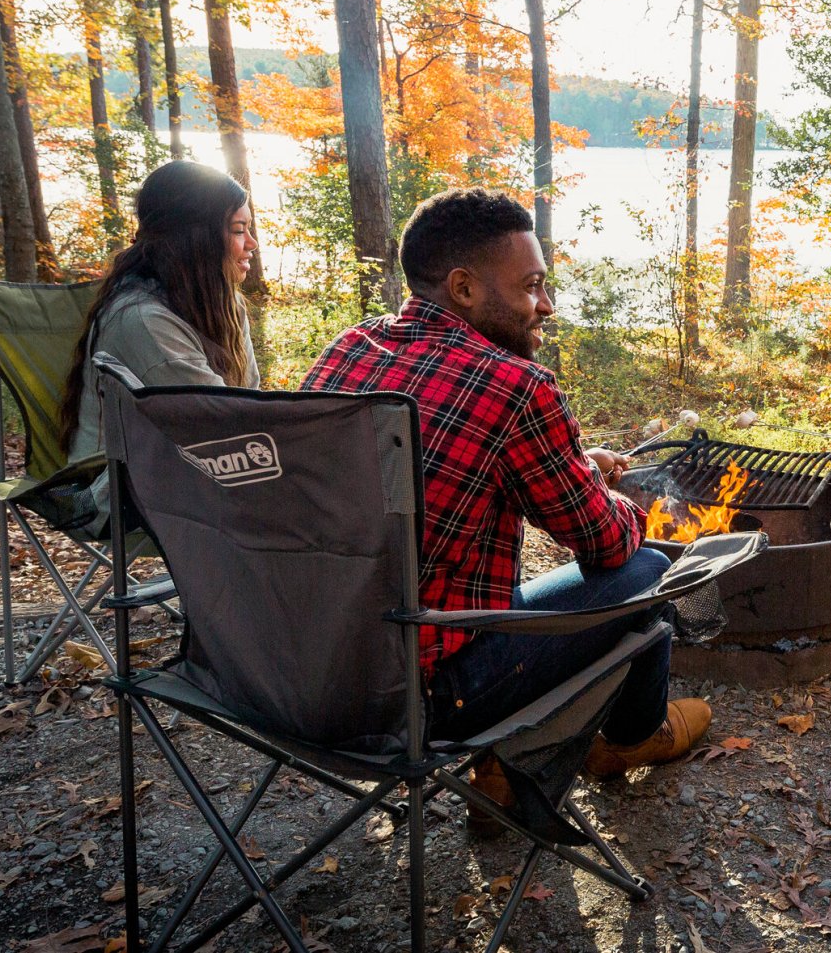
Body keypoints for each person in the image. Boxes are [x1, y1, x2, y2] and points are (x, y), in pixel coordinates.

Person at [303, 187, 713, 822]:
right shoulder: (515, 387)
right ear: (464, 289)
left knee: (485, 589)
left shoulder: (350, 349)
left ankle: (500, 773)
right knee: (648, 570)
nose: (545, 306)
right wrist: (599, 490)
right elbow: (604, 541)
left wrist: (563, 465)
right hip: (419, 700)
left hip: (298, 674)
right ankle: (632, 737)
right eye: (531, 287)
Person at [58, 159, 261, 466]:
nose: (252, 243)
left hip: (192, 473)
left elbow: (250, 404)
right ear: (195, 238)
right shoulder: (143, 320)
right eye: (237, 230)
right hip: (123, 496)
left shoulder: (223, 304)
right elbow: (218, 423)